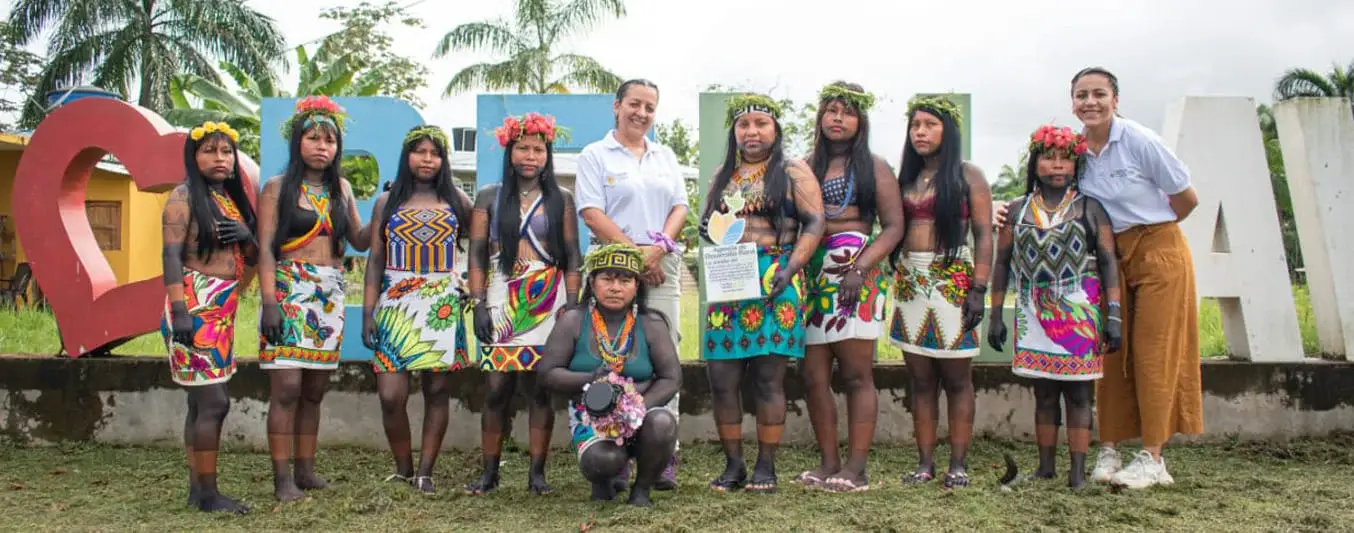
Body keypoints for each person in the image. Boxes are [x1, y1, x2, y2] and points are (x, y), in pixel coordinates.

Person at [994, 67, 1202, 489]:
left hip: (1157, 246)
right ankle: (1108, 448)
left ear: (1116, 99)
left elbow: (1187, 200)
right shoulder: (1076, 151)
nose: (1090, 102)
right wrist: (1003, 210)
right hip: (1109, 254)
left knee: (1153, 352)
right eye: (1082, 95)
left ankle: (1152, 457)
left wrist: (1151, 229)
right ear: (1072, 102)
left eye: (1099, 94)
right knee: (1107, 352)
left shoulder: (1138, 141)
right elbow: (1050, 197)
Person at [698, 93, 825, 493]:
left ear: (775, 130)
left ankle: (765, 466)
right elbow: (708, 222)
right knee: (722, 377)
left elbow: (814, 223)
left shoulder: (793, 171)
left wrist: (791, 269)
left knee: (769, 379)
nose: (751, 132)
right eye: (743, 125)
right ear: (734, 132)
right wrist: (707, 229)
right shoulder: (723, 174)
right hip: (729, 278)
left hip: (777, 276)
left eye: (760, 124)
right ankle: (734, 465)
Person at [987, 124, 1122, 490]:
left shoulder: (1090, 208)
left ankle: (1077, 472)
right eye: (1049, 157)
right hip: (1033, 310)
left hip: (1080, 311)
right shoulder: (1015, 210)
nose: (1058, 165)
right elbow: (1002, 263)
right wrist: (996, 314)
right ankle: (1045, 467)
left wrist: (1113, 315)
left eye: (1065, 158)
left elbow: (1108, 260)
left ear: (1076, 165)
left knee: (1079, 393)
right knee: (1044, 392)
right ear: (1036, 163)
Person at [257, 95, 371, 501]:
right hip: (288, 290)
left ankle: (306, 470)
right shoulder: (275, 188)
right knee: (286, 387)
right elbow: (266, 249)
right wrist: (269, 301)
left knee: (314, 390)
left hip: (329, 293)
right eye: (314, 138)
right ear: (297, 143)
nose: (322, 147)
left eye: (329, 140)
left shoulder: (341, 188)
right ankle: (282, 477)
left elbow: (358, 239)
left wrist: (389, 208)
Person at [575, 78, 685, 489]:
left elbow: (679, 206)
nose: (641, 113)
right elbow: (591, 213)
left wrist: (660, 250)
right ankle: (610, 451)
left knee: (664, 354)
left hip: (662, 264)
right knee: (610, 353)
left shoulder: (665, 155)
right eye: (634, 104)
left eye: (650, 107)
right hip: (613, 266)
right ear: (617, 105)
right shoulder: (595, 154)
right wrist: (635, 261)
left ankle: (663, 455)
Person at [796, 82, 904, 493]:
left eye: (848, 112)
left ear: (861, 121)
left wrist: (859, 269)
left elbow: (894, 227)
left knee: (857, 373)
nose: (837, 118)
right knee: (812, 374)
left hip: (856, 272)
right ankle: (828, 463)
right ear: (820, 117)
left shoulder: (873, 166)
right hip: (812, 273)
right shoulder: (804, 166)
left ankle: (856, 468)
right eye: (831, 110)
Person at [466, 112, 581, 495]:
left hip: (548, 298)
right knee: (497, 386)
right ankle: (489, 473)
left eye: (538, 149)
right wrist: (478, 302)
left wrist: (574, 307)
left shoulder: (561, 199)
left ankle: (537, 474)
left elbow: (573, 257)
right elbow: (478, 254)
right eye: (523, 148)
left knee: (540, 388)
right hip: (502, 293)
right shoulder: (488, 196)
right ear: (509, 150)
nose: (530, 156)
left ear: (548, 155)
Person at [886, 95, 993, 490]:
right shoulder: (906, 178)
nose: (921, 132)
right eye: (915, 126)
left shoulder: (969, 175)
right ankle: (925, 462)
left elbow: (984, 234)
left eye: (930, 124)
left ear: (949, 131)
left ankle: (958, 464)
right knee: (921, 380)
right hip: (910, 281)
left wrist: (978, 288)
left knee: (957, 378)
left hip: (953, 280)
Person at [361, 125, 474, 493]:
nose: (427, 160)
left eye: (435, 153)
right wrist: (367, 311)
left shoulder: (457, 198)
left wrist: (469, 283)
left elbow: (483, 244)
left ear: (444, 160)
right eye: (420, 152)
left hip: (441, 303)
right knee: (391, 396)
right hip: (395, 301)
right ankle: (403, 468)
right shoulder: (387, 202)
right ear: (406, 156)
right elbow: (375, 259)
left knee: (436, 391)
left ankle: (425, 471)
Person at [538, 244, 681, 507]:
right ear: (592, 282)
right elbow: (547, 374)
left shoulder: (652, 323)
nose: (615, 287)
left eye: (625, 280)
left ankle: (641, 491)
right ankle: (603, 480)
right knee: (603, 461)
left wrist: (637, 408)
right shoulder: (572, 320)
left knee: (662, 423)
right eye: (607, 279)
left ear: (637, 285)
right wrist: (591, 378)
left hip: (641, 413)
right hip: (590, 415)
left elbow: (671, 378)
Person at [161, 121, 256, 514]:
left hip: (223, 308)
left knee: (200, 404)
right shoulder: (182, 197)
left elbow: (251, 258)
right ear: (193, 156)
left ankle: (198, 488)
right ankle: (208, 493)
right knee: (214, 402)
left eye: (226, 152)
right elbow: (170, 256)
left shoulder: (231, 201)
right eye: (210, 151)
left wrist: (245, 234)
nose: (220, 159)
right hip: (194, 306)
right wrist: (180, 310)